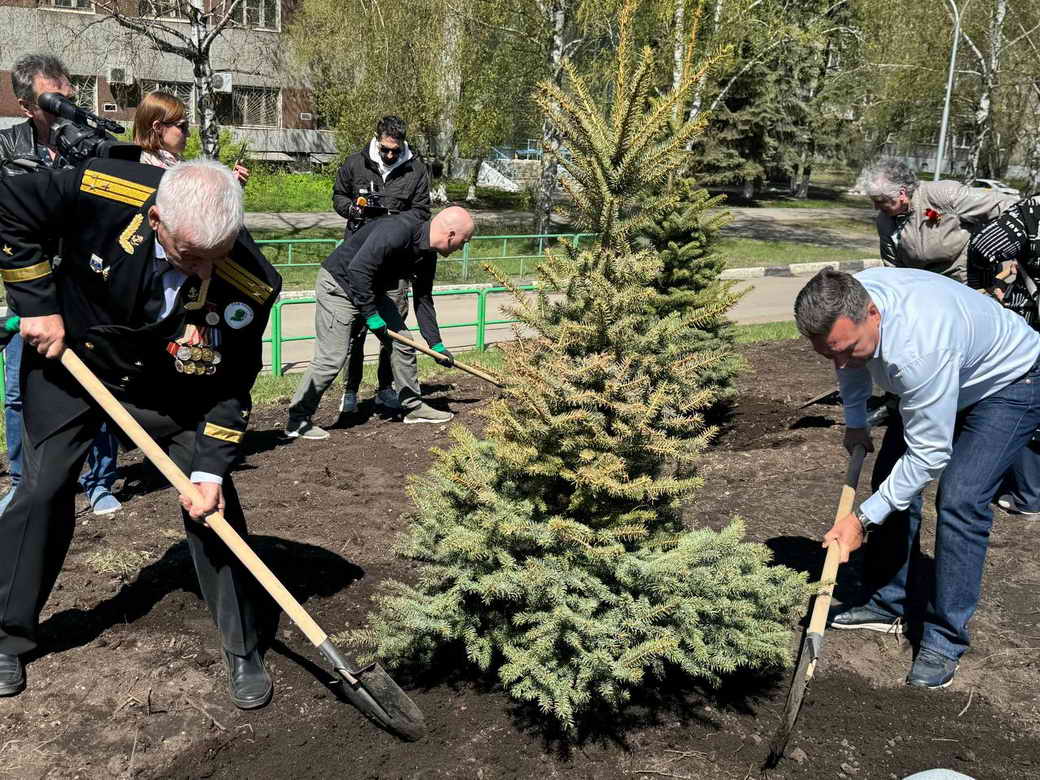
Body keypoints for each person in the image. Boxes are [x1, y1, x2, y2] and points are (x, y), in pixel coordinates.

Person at [0, 158, 281, 709]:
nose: (204, 272)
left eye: (216, 257)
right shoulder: (101, 186)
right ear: (156, 220)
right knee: (41, 489)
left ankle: (243, 647)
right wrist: (36, 305)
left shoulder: (250, 280)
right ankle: (7, 633)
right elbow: (10, 207)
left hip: (169, 387)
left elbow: (232, 387)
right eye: (192, 258)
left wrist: (207, 471)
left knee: (212, 507)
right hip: (72, 355)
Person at [795, 267, 1040, 689]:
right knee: (891, 477)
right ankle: (888, 600)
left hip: (1009, 382)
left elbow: (929, 455)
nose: (839, 362)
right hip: (953, 371)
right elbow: (850, 365)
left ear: (873, 314)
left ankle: (945, 639)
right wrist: (855, 421)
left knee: (961, 499)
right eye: (827, 353)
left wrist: (861, 520)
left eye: (847, 349)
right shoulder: (846, 300)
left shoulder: (918, 350)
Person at [0, 53, 123, 516]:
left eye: (68, 99)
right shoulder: (7, 147)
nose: (63, 108)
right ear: (26, 103)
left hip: (86, 287)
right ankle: (21, 481)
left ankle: (100, 481)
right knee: (17, 394)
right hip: (30, 293)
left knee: (101, 386)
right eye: (53, 102)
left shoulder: (88, 143)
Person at [285, 207, 473, 439]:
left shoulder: (427, 255)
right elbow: (358, 269)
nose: (462, 248)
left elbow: (423, 299)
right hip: (339, 286)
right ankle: (298, 419)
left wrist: (436, 344)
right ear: (451, 234)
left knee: (404, 343)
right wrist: (371, 314)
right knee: (331, 357)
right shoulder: (398, 229)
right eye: (464, 241)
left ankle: (413, 407)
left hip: (370, 289)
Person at [332, 115, 431, 416]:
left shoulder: (416, 170)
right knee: (357, 330)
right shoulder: (355, 163)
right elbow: (338, 196)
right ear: (376, 139)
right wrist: (352, 209)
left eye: (395, 150)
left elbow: (422, 210)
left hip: (394, 265)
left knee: (393, 330)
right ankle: (350, 389)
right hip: (359, 259)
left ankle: (386, 389)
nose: (390, 155)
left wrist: (396, 223)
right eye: (385, 149)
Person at [968, 198, 1040, 517]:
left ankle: (1029, 496)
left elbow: (985, 244)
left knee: (1024, 394)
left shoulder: (1031, 211)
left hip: (1032, 327)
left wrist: (986, 285)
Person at [861, 158, 1014, 282]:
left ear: (902, 194)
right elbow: (893, 270)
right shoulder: (885, 221)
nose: (876, 207)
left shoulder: (943, 195)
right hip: (928, 289)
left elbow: (1006, 206)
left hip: (971, 283)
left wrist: (1011, 248)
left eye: (880, 200)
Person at [133, 90, 250, 185]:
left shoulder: (173, 162)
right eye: (182, 126)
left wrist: (233, 186)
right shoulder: (147, 169)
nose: (188, 134)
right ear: (158, 127)